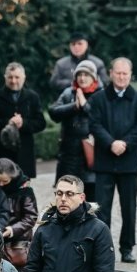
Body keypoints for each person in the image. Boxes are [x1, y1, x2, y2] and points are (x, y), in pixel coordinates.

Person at [89, 56, 137, 262]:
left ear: (130, 75)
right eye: (118, 73)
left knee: (129, 209)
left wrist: (125, 144)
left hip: (129, 162)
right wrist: (110, 143)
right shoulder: (98, 98)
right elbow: (94, 124)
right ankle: (103, 248)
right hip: (105, 161)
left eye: (125, 73)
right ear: (111, 73)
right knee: (101, 209)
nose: (122, 77)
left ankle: (127, 248)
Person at [0, 62, 47, 178]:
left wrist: (23, 123)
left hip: (25, 155)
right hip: (2, 153)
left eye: (17, 77)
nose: (13, 81)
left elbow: (41, 123)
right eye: (10, 77)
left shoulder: (33, 97)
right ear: (5, 78)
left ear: (24, 77)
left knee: (24, 193)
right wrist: (7, 122)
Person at [49, 61, 99, 194]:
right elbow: (53, 112)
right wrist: (73, 107)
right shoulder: (68, 92)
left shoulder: (100, 93)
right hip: (69, 154)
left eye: (86, 75)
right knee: (68, 195)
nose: (82, 78)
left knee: (91, 198)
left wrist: (84, 105)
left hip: (91, 152)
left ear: (93, 77)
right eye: (79, 74)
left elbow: (103, 117)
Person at [0, 158, 39, 271]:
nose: (1, 184)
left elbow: (31, 217)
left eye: (4, 181)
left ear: (12, 176)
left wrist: (12, 230)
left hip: (18, 243)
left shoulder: (25, 190)